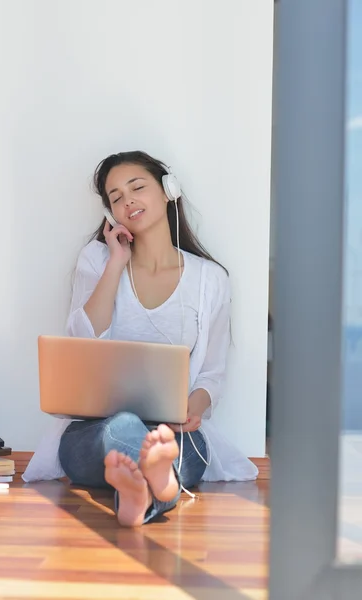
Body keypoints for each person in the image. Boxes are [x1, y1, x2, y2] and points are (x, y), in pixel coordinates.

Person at [23, 150, 258, 526]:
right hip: (94, 433)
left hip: (172, 433)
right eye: (116, 197)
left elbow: (211, 376)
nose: (127, 200)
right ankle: (160, 487)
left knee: (182, 447)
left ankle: (140, 497)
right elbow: (82, 339)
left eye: (137, 187)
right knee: (124, 428)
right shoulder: (97, 261)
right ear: (110, 214)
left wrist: (191, 411)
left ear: (168, 190)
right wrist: (116, 262)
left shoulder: (210, 279)